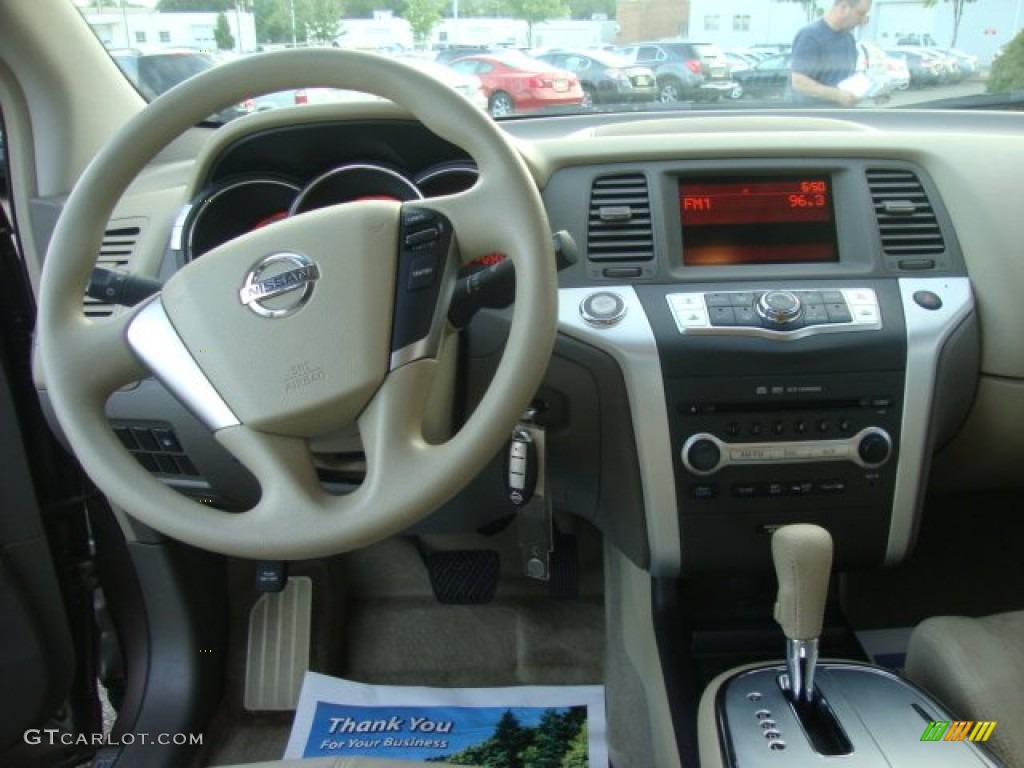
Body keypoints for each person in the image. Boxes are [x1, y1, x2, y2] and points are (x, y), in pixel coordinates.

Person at [790, 0, 873, 106]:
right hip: (816, 116)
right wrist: (838, 96)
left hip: (842, 114)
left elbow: (845, 77)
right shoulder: (810, 36)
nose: (863, 21)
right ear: (843, 8)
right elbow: (799, 82)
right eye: (860, 13)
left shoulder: (848, 38)